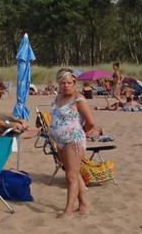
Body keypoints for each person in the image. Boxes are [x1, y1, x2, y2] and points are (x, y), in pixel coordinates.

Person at [50, 68, 96, 218]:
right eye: (63, 83)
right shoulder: (58, 98)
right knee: (75, 174)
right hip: (60, 141)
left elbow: (90, 123)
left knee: (70, 177)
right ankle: (84, 205)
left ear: (74, 83)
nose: (66, 85)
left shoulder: (78, 99)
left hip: (73, 140)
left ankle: (68, 210)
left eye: (69, 82)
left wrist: (77, 131)